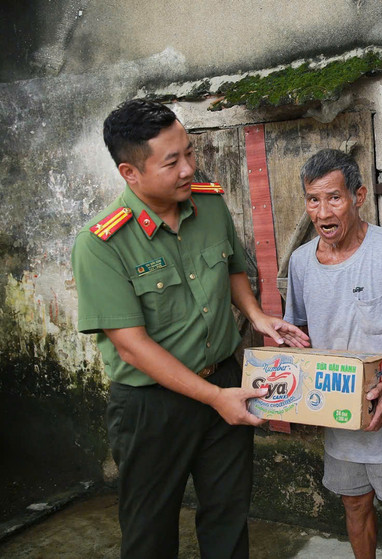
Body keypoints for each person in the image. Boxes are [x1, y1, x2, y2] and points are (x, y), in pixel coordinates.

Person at [71, 99, 309, 558]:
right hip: (150, 407)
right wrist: (216, 399)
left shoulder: (208, 203)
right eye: (172, 161)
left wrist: (257, 316)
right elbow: (134, 348)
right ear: (130, 172)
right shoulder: (101, 245)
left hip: (225, 380)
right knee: (150, 530)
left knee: (228, 517)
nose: (188, 168)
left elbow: (234, 268)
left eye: (189, 153)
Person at [283, 148, 382, 559]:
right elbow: (298, 332)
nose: (322, 210)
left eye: (334, 197)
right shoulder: (300, 263)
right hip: (341, 422)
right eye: (313, 200)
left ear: (358, 196)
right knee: (354, 504)